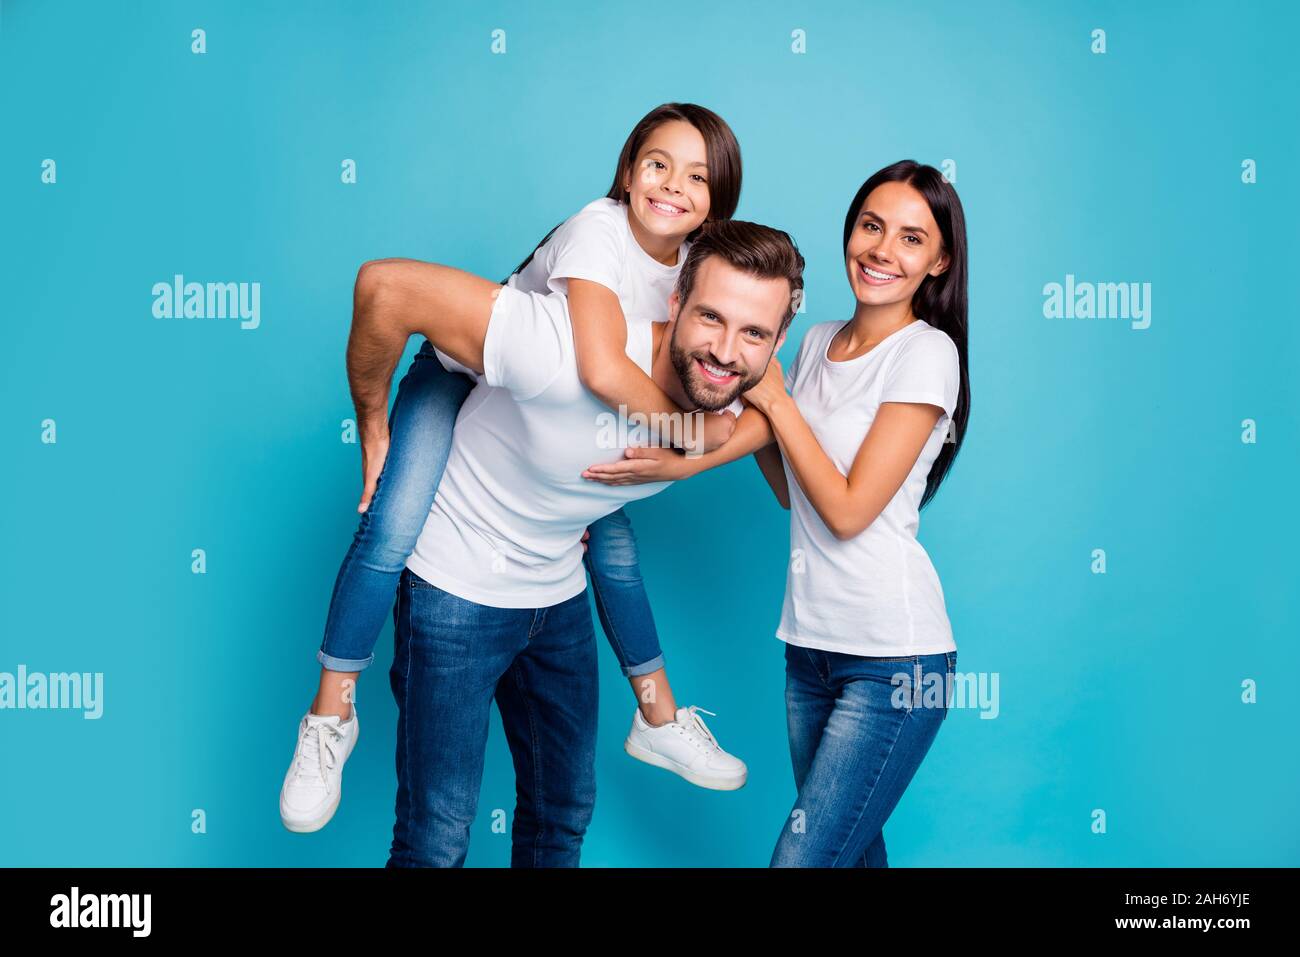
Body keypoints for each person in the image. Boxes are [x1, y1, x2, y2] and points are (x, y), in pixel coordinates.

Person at [280, 104, 753, 835]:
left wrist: (692, 457)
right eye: (657, 164)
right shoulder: (597, 232)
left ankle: (658, 713)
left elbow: (767, 398)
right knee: (392, 524)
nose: (672, 186)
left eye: (698, 177)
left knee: (613, 539)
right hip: (464, 373)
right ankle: (330, 709)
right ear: (628, 171)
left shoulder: (699, 278)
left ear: (718, 203)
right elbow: (599, 363)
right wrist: (689, 436)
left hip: (544, 432)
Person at [353, 221, 801, 865]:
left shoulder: (726, 400)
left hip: (558, 599)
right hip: (456, 594)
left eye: (754, 333)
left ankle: (655, 721)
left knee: (561, 816)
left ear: (777, 343)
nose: (726, 351)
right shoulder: (559, 347)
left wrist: (693, 452)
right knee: (437, 836)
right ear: (674, 304)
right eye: (711, 318)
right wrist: (372, 423)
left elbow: (788, 481)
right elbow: (384, 287)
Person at [583, 160, 970, 867]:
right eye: (872, 226)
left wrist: (777, 398)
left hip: (896, 661)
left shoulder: (926, 354)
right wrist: (685, 459)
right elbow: (792, 483)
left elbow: (849, 509)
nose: (883, 249)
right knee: (849, 855)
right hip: (812, 648)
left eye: (912, 239)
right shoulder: (819, 339)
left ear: (939, 261)